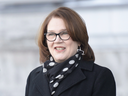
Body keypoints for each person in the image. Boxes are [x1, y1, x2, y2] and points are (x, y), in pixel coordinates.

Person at [25, 7, 116, 96]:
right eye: (51, 34)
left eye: (64, 33)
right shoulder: (34, 77)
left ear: (79, 39)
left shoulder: (99, 76)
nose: (57, 40)